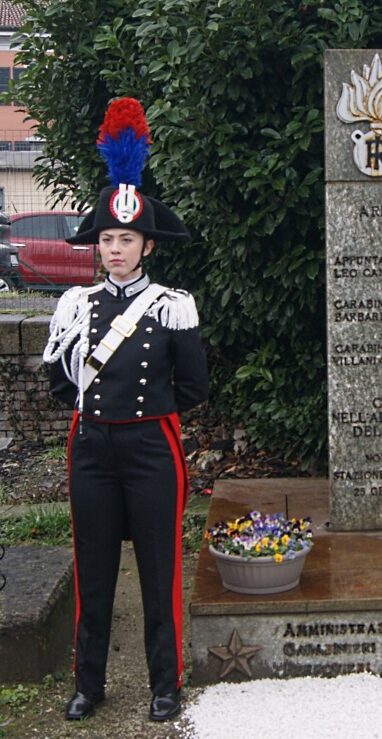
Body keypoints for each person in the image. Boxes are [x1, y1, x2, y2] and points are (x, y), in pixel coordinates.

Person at [43, 98, 208, 722]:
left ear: (147, 246)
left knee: (161, 569)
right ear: (98, 245)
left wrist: (147, 413)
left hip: (149, 448)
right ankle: (90, 683)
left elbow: (193, 385)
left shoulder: (172, 305)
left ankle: (166, 684)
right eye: (108, 239)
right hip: (91, 447)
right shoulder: (75, 306)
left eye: (127, 239)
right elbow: (63, 383)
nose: (115, 249)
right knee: (93, 568)